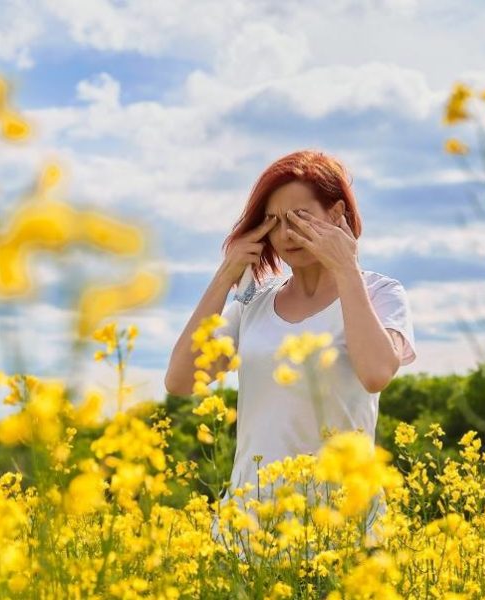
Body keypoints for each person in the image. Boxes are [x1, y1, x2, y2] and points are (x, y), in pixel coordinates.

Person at [164, 150, 417, 554]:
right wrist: (226, 276)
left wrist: (346, 268)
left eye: (299, 217)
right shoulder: (252, 305)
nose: (285, 234)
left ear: (336, 214)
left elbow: (375, 373)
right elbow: (179, 380)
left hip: (342, 530)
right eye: (274, 222)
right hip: (248, 529)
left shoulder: (379, 294)